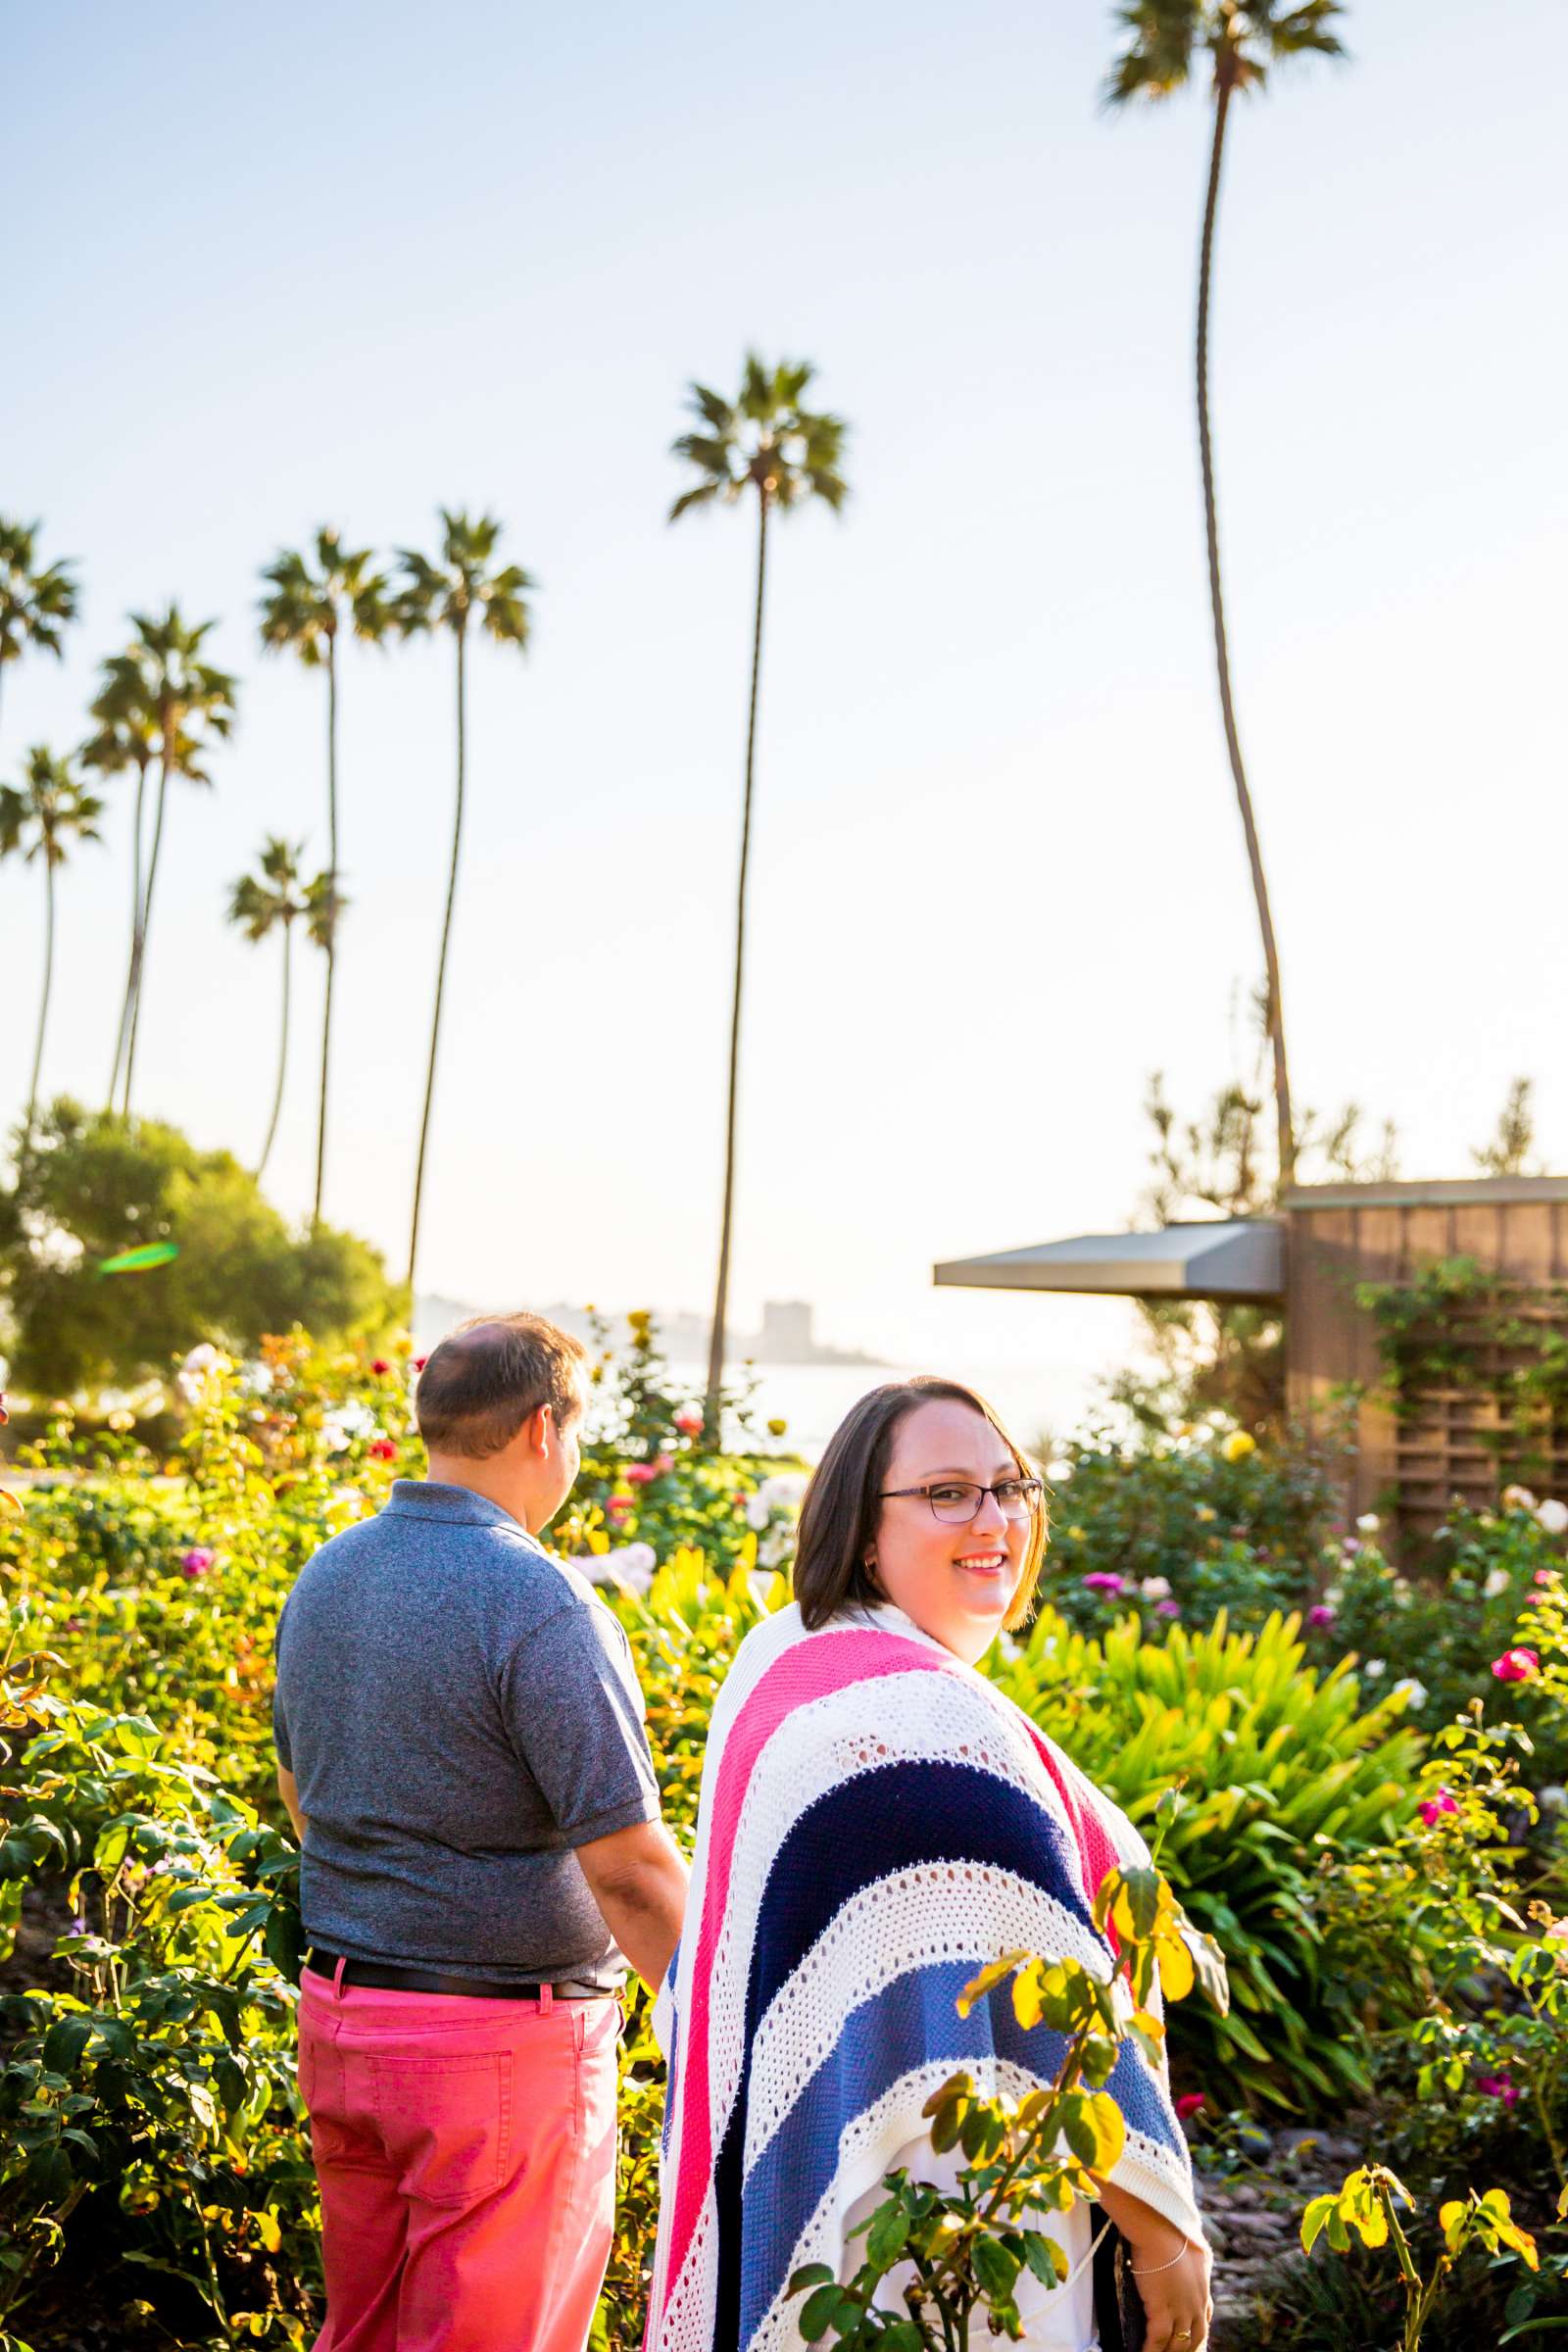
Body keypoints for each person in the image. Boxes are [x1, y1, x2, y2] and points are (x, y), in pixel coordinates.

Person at [645, 1375, 1211, 2352]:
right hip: (951, 2228)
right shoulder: (924, 1720)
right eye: (947, 1492)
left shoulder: (785, 1654)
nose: (993, 1518)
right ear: (865, 1533)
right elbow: (1063, 2009)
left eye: (1011, 1487)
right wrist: (1165, 2241)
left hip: (858, 2202)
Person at [272, 1311, 689, 2352]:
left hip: (344, 2019)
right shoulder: (539, 1598)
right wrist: (720, 2024)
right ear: (544, 1428)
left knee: (361, 2335)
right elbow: (631, 1875)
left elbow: (300, 1794)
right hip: (498, 2052)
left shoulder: (327, 1575)